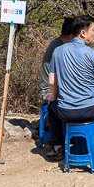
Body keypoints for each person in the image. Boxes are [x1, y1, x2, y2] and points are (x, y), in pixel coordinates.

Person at [48, 15, 94, 159]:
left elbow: (51, 82)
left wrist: (54, 96)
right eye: (93, 30)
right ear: (83, 33)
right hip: (89, 109)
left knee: (52, 107)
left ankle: (58, 146)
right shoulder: (93, 54)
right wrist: (91, 93)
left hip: (65, 111)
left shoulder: (58, 51)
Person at [40, 17, 74, 154]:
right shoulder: (59, 48)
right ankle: (60, 143)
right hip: (49, 90)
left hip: (54, 87)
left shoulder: (60, 44)